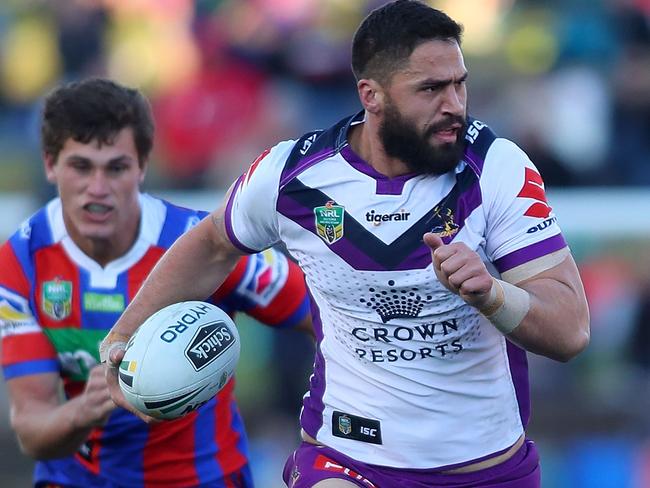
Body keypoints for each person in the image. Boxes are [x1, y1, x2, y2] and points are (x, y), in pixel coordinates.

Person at [102, 1, 590, 487]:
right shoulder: (291, 175)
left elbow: (570, 331)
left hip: (486, 470)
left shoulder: (498, 169)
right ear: (371, 95)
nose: (455, 106)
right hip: (349, 456)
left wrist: (493, 294)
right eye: (431, 89)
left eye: (460, 84)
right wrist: (124, 336)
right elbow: (210, 243)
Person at [0, 78, 311, 487]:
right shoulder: (21, 261)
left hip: (203, 478)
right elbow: (32, 429)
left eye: (116, 167)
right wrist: (86, 408)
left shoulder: (203, 244)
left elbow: (325, 317)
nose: (98, 189)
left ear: (143, 166)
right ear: (49, 164)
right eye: (80, 166)